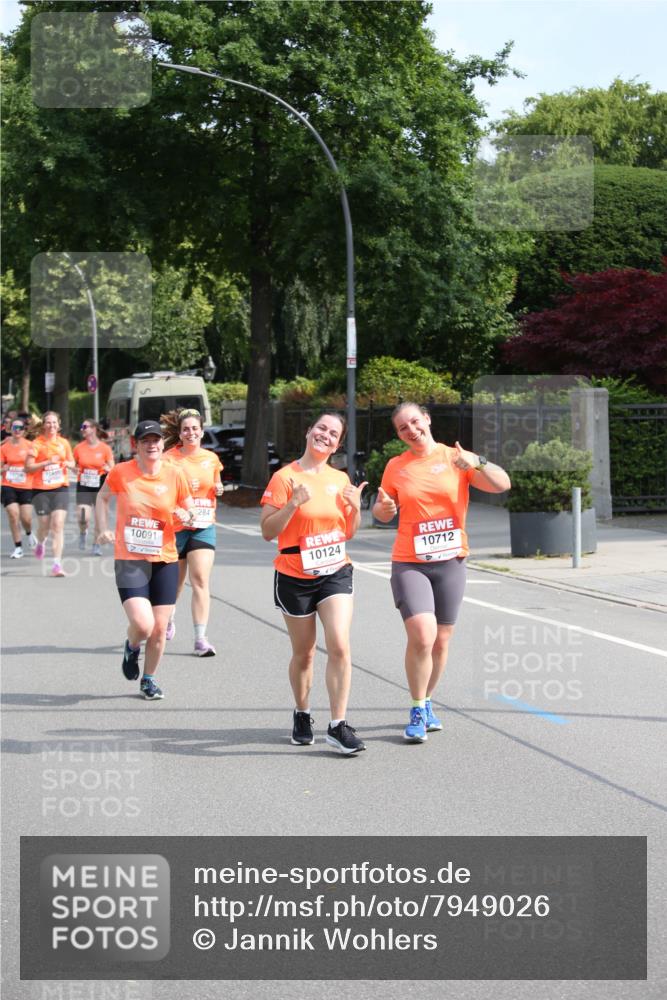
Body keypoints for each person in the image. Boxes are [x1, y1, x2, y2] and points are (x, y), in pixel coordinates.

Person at [372, 402, 511, 743]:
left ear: (427, 419)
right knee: (423, 635)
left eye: (414, 421)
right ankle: (417, 708)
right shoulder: (396, 466)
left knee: (441, 640)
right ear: (399, 435)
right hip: (410, 561)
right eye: (403, 428)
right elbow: (383, 511)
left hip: (451, 560)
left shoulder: (456, 458)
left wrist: (477, 461)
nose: (411, 430)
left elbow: (502, 484)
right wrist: (384, 508)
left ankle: (427, 700)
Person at [260, 412, 368, 755]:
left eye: (333, 433)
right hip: (294, 574)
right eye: (321, 428)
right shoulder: (284, 478)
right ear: (308, 432)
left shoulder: (340, 478)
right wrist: (293, 503)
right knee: (304, 653)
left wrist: (355, 509)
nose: (326, 435)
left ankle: (338, 725)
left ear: (337, 445)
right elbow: (267, 531)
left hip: (335, 570)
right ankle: (302, 712)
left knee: (339, 644)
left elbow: (347, 532)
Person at [95, 420, 195, 701]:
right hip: (130, 559)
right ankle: (132, 645)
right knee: (143, 625)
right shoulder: (121, 472)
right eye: (145, 441)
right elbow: (102, 498)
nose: (151, 445)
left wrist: (186, 515)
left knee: (160, 628)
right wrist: (102, 528)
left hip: (165, 558)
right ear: (135, 445)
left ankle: (149, 680)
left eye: (156, 440)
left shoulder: (175, 474)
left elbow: (189, 509)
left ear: (162, 444)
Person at [162, 408, 224, 656]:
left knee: (200, 580)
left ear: (202, 431)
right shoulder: (168, 459)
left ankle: (200, 638)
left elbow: (215, 483)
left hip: (203, 526)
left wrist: (218, 488)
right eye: (186, 429)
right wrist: (178, 509)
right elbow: (161, 491)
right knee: (175, 584)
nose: (191, 433)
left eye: (195, 428)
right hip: (176, 528)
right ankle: (168, 618)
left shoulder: (211, 459)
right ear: (179, 433)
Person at [25, 411, 75, 577]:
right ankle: (41, 542)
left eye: (54, 422)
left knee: (58, 524)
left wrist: (68, 464)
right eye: (48, 422)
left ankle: (56, 565)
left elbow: (72, 461)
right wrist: (47, 462)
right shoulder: (36, 444)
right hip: (40, 490)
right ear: (43, 425)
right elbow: (28, 468)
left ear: (58, 425)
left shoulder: (64, 443)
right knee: (44, 525)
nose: (52, 425)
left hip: (60, 487)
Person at [73, 418, 114, 555]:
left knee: (99, 517)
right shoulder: (78, 448)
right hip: (84, 485)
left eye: (85, 426)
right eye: (81, 427)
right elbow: (74, 464)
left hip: (100, 485)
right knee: (83, 517)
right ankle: (83, 531)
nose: (82, 429)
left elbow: (112, 467)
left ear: (94, 429)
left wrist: (108, 469)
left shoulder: (105, 448)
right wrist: (74, 469)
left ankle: (96, 544)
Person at [1, 418, 37, 558]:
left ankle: (29, 533)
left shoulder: (30, 446)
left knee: (26, 518)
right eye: (15, 427)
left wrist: (29, 468)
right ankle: (18, 547)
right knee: (13, 514)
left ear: (24, 430)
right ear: (10, 429)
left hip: (26, 485)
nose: (17, 430)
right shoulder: (4, 448)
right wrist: (3, 469)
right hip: (8, 484)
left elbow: (35, 466)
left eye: (20, 428)